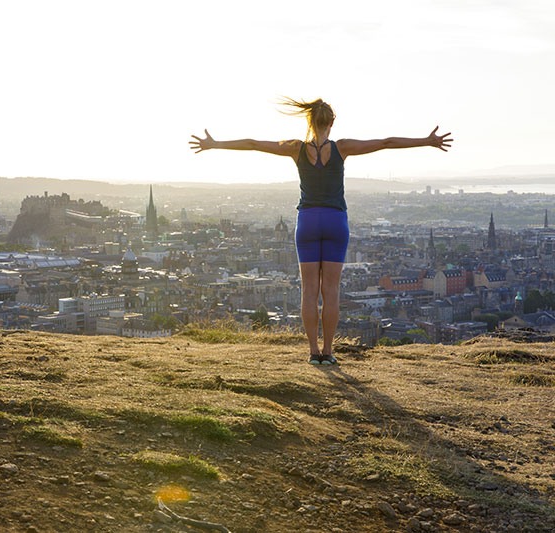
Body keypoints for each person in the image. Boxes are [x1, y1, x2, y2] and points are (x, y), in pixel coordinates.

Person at [189, 98, 452, 365]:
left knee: (309, 291)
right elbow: (386, 142)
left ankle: (313, 351)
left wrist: (215, 144)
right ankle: (329, 351)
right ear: (332, 122)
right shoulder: (343, 147)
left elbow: (254, 144)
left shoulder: (296, 148)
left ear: (309, 122)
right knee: (331, 290)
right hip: (336, 220)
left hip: (308, 221)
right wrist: (426, 141)